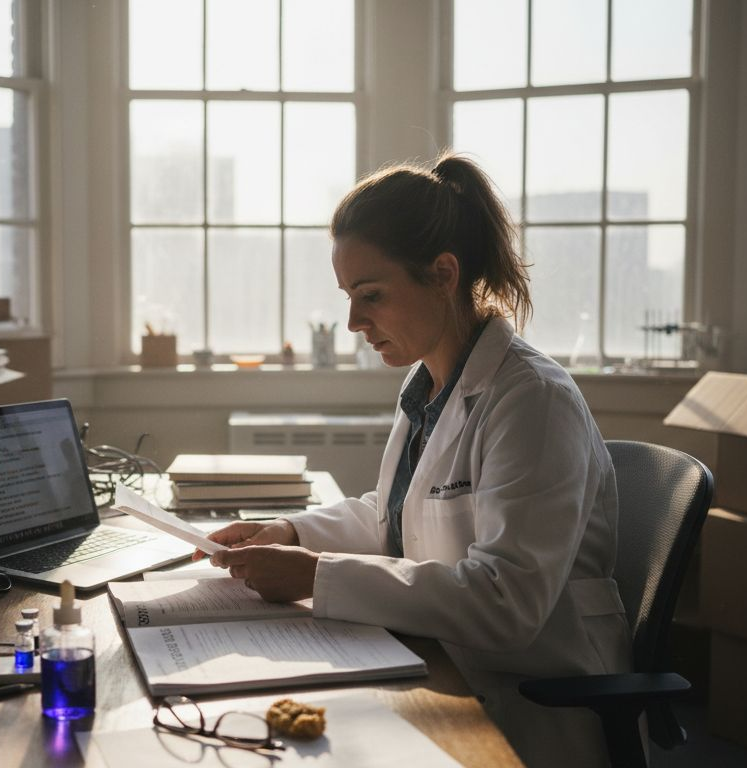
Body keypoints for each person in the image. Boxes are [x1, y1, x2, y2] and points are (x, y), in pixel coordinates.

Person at [197, 153, 630, 767]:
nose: (354, 322)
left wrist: (316, 576)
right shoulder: (431, 384)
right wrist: (290, 532)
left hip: (529, 701)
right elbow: (399, 514)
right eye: (349, 297)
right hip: (440, 660)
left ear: (443, 274)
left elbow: (506, 603)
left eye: (371, 295)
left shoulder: (533, 400)